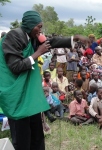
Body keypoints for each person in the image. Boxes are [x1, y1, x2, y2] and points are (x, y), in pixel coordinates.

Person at [0, 10, 89, 150]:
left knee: (37, 135)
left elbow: (50, 42)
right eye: (39, 27)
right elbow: (15, 66)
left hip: (30, 97)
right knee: (23, 138)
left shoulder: (31, 36)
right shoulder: (13, 36)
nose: (40, 30)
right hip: (17, 95)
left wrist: (74, 38)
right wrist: (38, 53)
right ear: (29, 25)